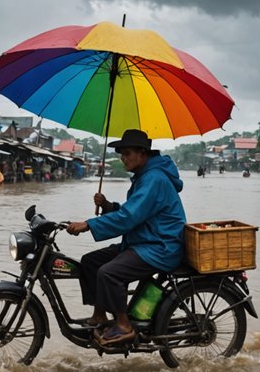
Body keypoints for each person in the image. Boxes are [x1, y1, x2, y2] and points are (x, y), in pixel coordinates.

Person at [66, 129, 186, 347]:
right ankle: (100, 315)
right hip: (143, 240)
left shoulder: (154, 179)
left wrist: (88, 225)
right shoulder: (145, 177)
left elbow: (130, 217)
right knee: (91, 262)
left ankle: (124, 325)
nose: (123, 158)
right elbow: (134, 211)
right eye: (121, 154)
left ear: (142, 153)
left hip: (160, 246)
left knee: (109, 273)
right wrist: (108, 206)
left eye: (127, 153)